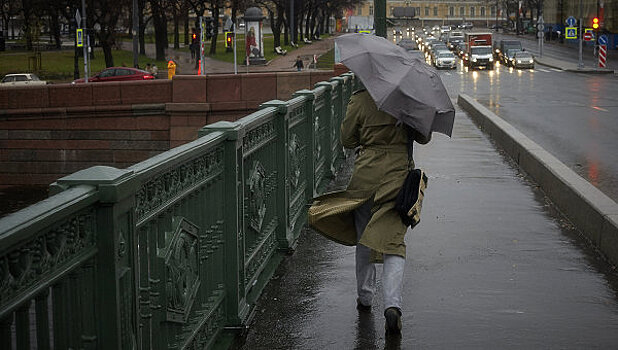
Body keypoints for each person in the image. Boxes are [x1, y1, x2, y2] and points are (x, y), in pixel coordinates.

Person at [308, 86, 431, 335]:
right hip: (398, 178)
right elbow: (423, 136)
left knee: (364, 236)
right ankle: (392, 305)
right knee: (394, 242)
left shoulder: (361, 99)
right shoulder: (407, 99)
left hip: (366, 178)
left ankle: (365, 297)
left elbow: (347, 140)